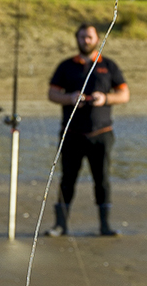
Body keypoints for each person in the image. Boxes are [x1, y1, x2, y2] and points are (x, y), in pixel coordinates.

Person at [46, 23, 130, 237]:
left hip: (102, 133)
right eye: (82, 37)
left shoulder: (108, 65)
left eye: (90, 37)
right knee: (67, 179)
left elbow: (124, 94)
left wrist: (105, 98)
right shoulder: (66, 66)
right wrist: (70, 98)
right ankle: (60, 225)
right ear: (77, 39)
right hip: (71, 133)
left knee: (102, 179)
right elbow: (52, 94)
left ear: (97, 39)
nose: (86, 40)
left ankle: (105, 226)